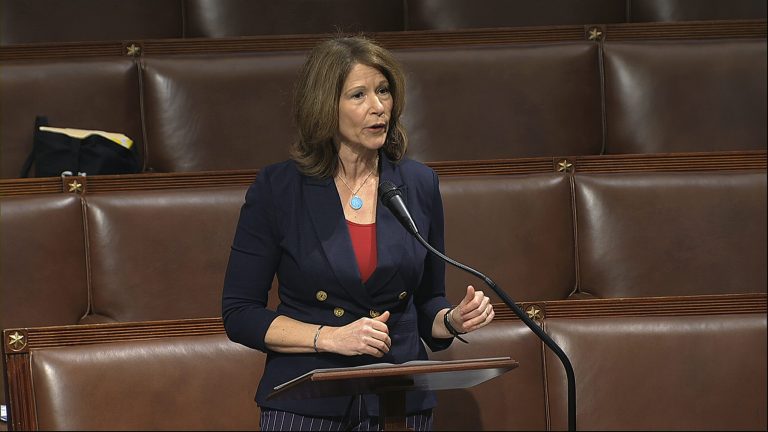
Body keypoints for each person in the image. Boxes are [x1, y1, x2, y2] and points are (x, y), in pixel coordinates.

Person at [222, 35, 495, 431]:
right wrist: (330, 337)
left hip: (398, 400)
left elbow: (426, 303)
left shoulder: (419, 184)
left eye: (383, 91)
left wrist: (451, 320)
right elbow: (240, 314)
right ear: (324, 107)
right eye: (359, 95)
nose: (378, 107)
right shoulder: (279, 190)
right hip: (307, 401)